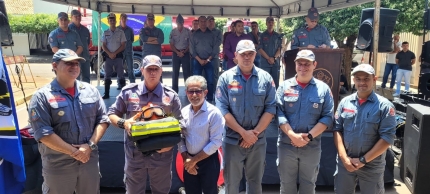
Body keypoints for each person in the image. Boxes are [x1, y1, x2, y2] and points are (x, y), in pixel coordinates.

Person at [28, 49, 110, 193]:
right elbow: (43, 133)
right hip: (58, 165)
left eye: (77, 63)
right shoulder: (42, 96)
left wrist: (89, 146)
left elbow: (103, 120)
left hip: (88, 162)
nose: (74, 66)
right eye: (68, 63)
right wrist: (75, 152)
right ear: (54, 66)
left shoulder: (91, 91)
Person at [108, 55, 183, 194]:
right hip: (135, 155)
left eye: (156, 69)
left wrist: (170, 145)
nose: (153, 72)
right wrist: (124, 123)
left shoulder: (171, 96)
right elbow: (111, 114)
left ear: (161, 71)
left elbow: (181, 125)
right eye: (149, 69)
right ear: (142, 70)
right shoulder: (129, 92)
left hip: (162, 157)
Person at [216, 40, 276, 194]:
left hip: (257, 141)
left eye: (250, 53)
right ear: (236, 56)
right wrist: (244, 133)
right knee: (231, 184)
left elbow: (270, 109)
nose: (247, 57)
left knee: (255, 184)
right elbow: (222, 109)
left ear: (255, 54)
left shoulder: (266, 78)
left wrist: (253, 134)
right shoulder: (225, 78)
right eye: (243, 54)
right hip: (232, 141)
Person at [276, 50, 334, 194]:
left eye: (307, 63)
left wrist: (308, 137)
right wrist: (292, 136)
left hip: (311, 146)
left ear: (314, 65)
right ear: (295, 64)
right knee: (286, 184)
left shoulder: (323, 89)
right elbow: (278, 113)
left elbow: (327, 117)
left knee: (308, 185)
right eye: (299, 63)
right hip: (286, 144)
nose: (303, 67)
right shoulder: (284, 87)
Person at [333, 64, 396, 194]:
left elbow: (387, 138)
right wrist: (344, 158)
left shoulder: (385, 106)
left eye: (366, 78)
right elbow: (337, 130)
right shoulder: (345, 103)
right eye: (358, 78)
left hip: (371, 166)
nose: (362, 82)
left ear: (374, 79)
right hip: (346, 164)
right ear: (354, 80)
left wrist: (363, 160)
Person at [179, 75, 225, 194]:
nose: (194, 95)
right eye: (191, 91)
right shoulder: (183, 112)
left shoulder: (214, 113)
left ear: (205, 92)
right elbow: (180, 138)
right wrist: (187, 159)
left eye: (198, 91)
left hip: (209, 161)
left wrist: (194, 160)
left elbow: (216, 142)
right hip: (188, 160)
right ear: (186, 92)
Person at [190, 16, 217, 103]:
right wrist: (199, 60)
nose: (203, 23)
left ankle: (209, 99)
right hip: (197, 61)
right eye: (201, 21)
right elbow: (192, 49)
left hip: (209, 60)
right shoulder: (194, 34)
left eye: (204, 21)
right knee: (197, 82)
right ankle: (197, 98)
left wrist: (208, 59)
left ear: (206, 22)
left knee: (210, 81)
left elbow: (215, 48)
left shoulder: (212, 34)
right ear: (198, 23)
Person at [101, 13, 126, 99]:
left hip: (118, 56)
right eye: (110, 20)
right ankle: (106, 94)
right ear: (108, 21)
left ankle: (124, 95)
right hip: (108, 57)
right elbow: (103, 45)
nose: (112, 21)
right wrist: (110, 54)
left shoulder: (121, 32)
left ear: (116, 21)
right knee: (107, 76)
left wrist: (114, 53)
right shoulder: (105, 32)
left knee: (121, 76)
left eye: (113, 20)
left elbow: (123, 45)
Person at [258, 16, 282, 88]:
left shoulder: (278, 36)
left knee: (275, 83)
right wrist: (268, 58)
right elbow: (260, 49)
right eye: (269, 22)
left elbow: (280, 49)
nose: (270, 24)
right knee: (264, 82)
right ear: (266, 23)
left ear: (274, 23)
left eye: (272, 22)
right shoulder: (262, 35)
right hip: (265, 63)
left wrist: (274, 58)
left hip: (275, 63)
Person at [170, 14, 192, 93]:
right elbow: (171, 44)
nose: (180, 24)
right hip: (176, 54)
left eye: (181, 22)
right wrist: (177, 52)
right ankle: (174, 91)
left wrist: (184, 52)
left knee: (187, 73)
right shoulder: (173, 32)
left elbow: (190, 44)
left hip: (185, 53)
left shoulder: (188, 31)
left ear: (183, 22)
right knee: (175, 73)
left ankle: (188, 90)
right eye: (178, 22)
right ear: (176, 23)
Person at [139, 13, 165, 81]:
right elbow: (144, 39)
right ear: (147, 20)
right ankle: (143, 88)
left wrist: (148, 40)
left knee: (158, 71)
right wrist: (155, 39)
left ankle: (159, 88)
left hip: (156, 54)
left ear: (154, 21)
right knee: (144, 71)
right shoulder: (143, 30)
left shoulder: (159, 31)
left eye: (152, 19)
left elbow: (160, 41)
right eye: (149, 19)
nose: (150, 21)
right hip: (146, 54)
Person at [69, 9, 91, 83]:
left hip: (85, 57)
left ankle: (86, 94)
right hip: (74, 58)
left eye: (79, 16)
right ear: (71, 17)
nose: (78, 18)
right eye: (76, 16)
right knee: (75, 78)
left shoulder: (85, 30)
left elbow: (87, 42)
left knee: (86, 77)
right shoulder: (69, 29)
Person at [118, 13, 136, 83]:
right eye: (122, 18)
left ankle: (132, 83)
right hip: (120, 52)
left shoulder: (130, 30)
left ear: (127, 20)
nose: (124, 20)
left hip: (129, 52)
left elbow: (132, 39)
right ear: (120, 19)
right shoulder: (117, 29)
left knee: (130, 69)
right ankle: (120, 84)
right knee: (120, 69)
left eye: (125, 18)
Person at [207, 15, 223, 93]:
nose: (211, 22)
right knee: (205, 76)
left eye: (212, 20)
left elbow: (218, 44)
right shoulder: (204, 32)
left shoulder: (218, 32)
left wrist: (211, 55)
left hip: (214, 57)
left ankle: (216, 93)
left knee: (215, 76)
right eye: (209, 20)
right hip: (204, 58)